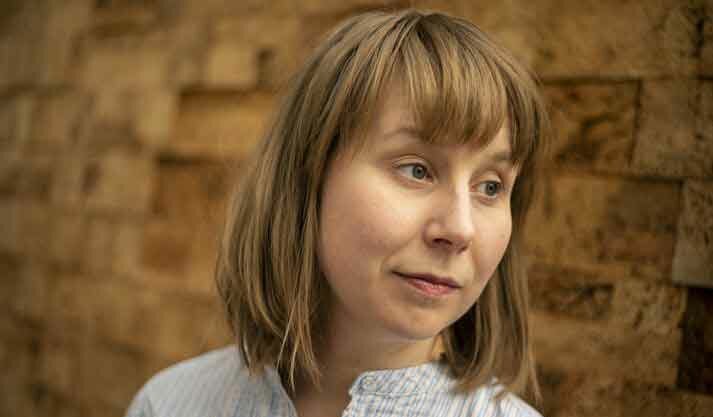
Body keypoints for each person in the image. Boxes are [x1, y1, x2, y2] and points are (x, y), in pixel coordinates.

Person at [125, 8, 549, 417]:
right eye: (416, 170)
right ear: (307, 178)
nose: (460, 228)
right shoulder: (167, 404)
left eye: (490, 187)